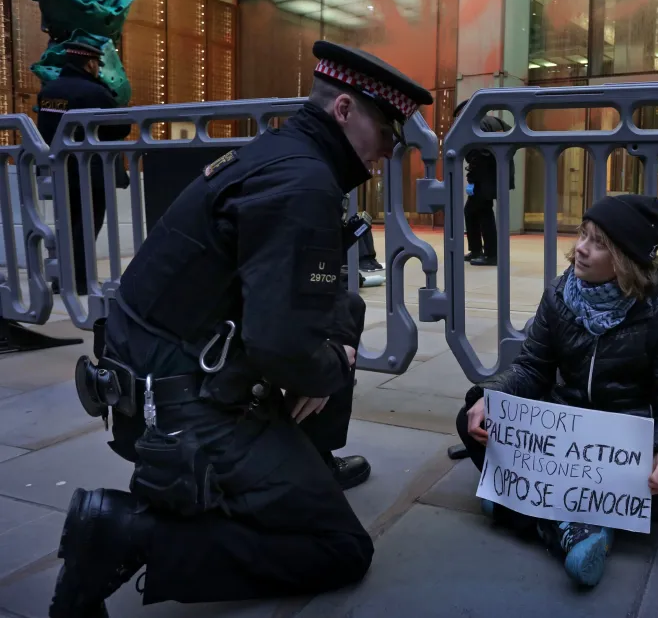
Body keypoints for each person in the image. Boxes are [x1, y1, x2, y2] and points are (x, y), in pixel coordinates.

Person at [51, 41, 432, 616]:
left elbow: (300, 309)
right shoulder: (302, 183)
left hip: (153, 379)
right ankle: (127, 533)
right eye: (385, 132)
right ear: (345, 110)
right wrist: (332, 367)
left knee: (342, 311)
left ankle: (305, 466)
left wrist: (321, 355)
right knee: (341, 548)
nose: (388, 150)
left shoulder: (280, 154)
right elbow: (282, 346)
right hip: (181, 411)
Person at [456, 195, 658, 588]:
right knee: (472, 418)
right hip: (562, 439)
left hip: (621, 447)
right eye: (583, 235)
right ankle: (573, 525)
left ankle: (527, 509)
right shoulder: (560, 295)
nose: (580, 249)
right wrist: (489, 397)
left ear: (624, 258)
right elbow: (531, 367)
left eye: (598, 243)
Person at [36, 41, 132, 295]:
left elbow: (45, 128)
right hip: (90, 171)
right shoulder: (94, 92)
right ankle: (80, 281)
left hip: (58, 168)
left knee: (65, 224)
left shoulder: (50, 91)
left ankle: (62, 278)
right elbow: (121, 126)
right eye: (97, 64)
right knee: (87, 226)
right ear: (90, 63)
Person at [458, 99, 514, 266]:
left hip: (485, 178)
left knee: (482, 213)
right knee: (474, 211)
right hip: (499, 174)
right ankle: (477, 250)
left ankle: (491, 254)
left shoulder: (478, 124)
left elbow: (480, 155)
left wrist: (472, 178)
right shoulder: (495, 121)